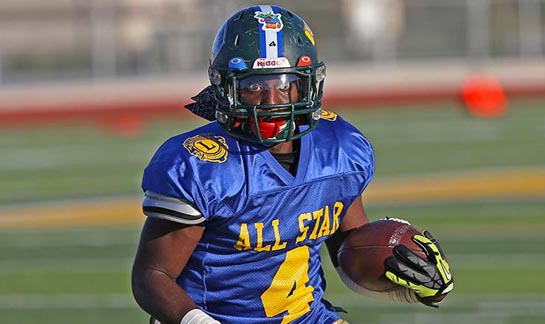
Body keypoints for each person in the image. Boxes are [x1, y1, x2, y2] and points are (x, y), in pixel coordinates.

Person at [131, 5, 453, 324]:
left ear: (307, 84)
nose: (273, 101)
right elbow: (152, 274)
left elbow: (351, 257)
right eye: (255, 86)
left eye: (285, 84)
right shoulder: (205, 166)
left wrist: (420, 284)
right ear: (227, 89)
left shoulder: (336, 152)